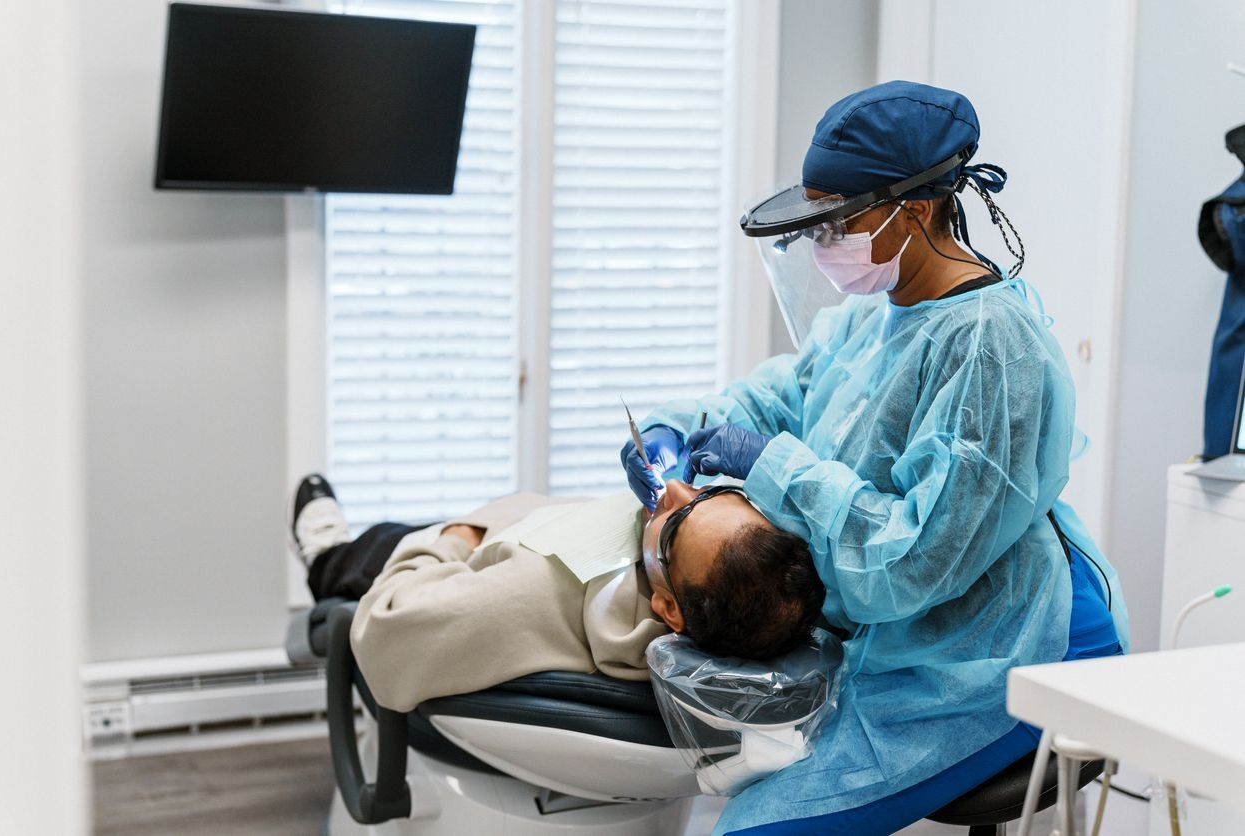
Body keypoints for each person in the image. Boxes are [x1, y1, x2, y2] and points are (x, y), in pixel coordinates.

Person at [620, 81, 1130, 834]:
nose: (826, 245)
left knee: (753, 827)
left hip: (1010, 649)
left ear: (917, 210)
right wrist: (678, 432)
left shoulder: (991, 348)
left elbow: (911, 562)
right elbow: (779, 400)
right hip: (917, 632)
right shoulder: (872, 315)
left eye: (839, 223)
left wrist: (772, 465)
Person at [291, 473, 825, 712]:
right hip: (519, 528)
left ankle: (323, 555)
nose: (675, 488)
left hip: (456, 554)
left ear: (667, 609)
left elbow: (386, 628)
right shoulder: (741, 588)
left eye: (677, 518)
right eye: (712, 494)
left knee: (373, 548)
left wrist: (456, 536)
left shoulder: (530, 594)